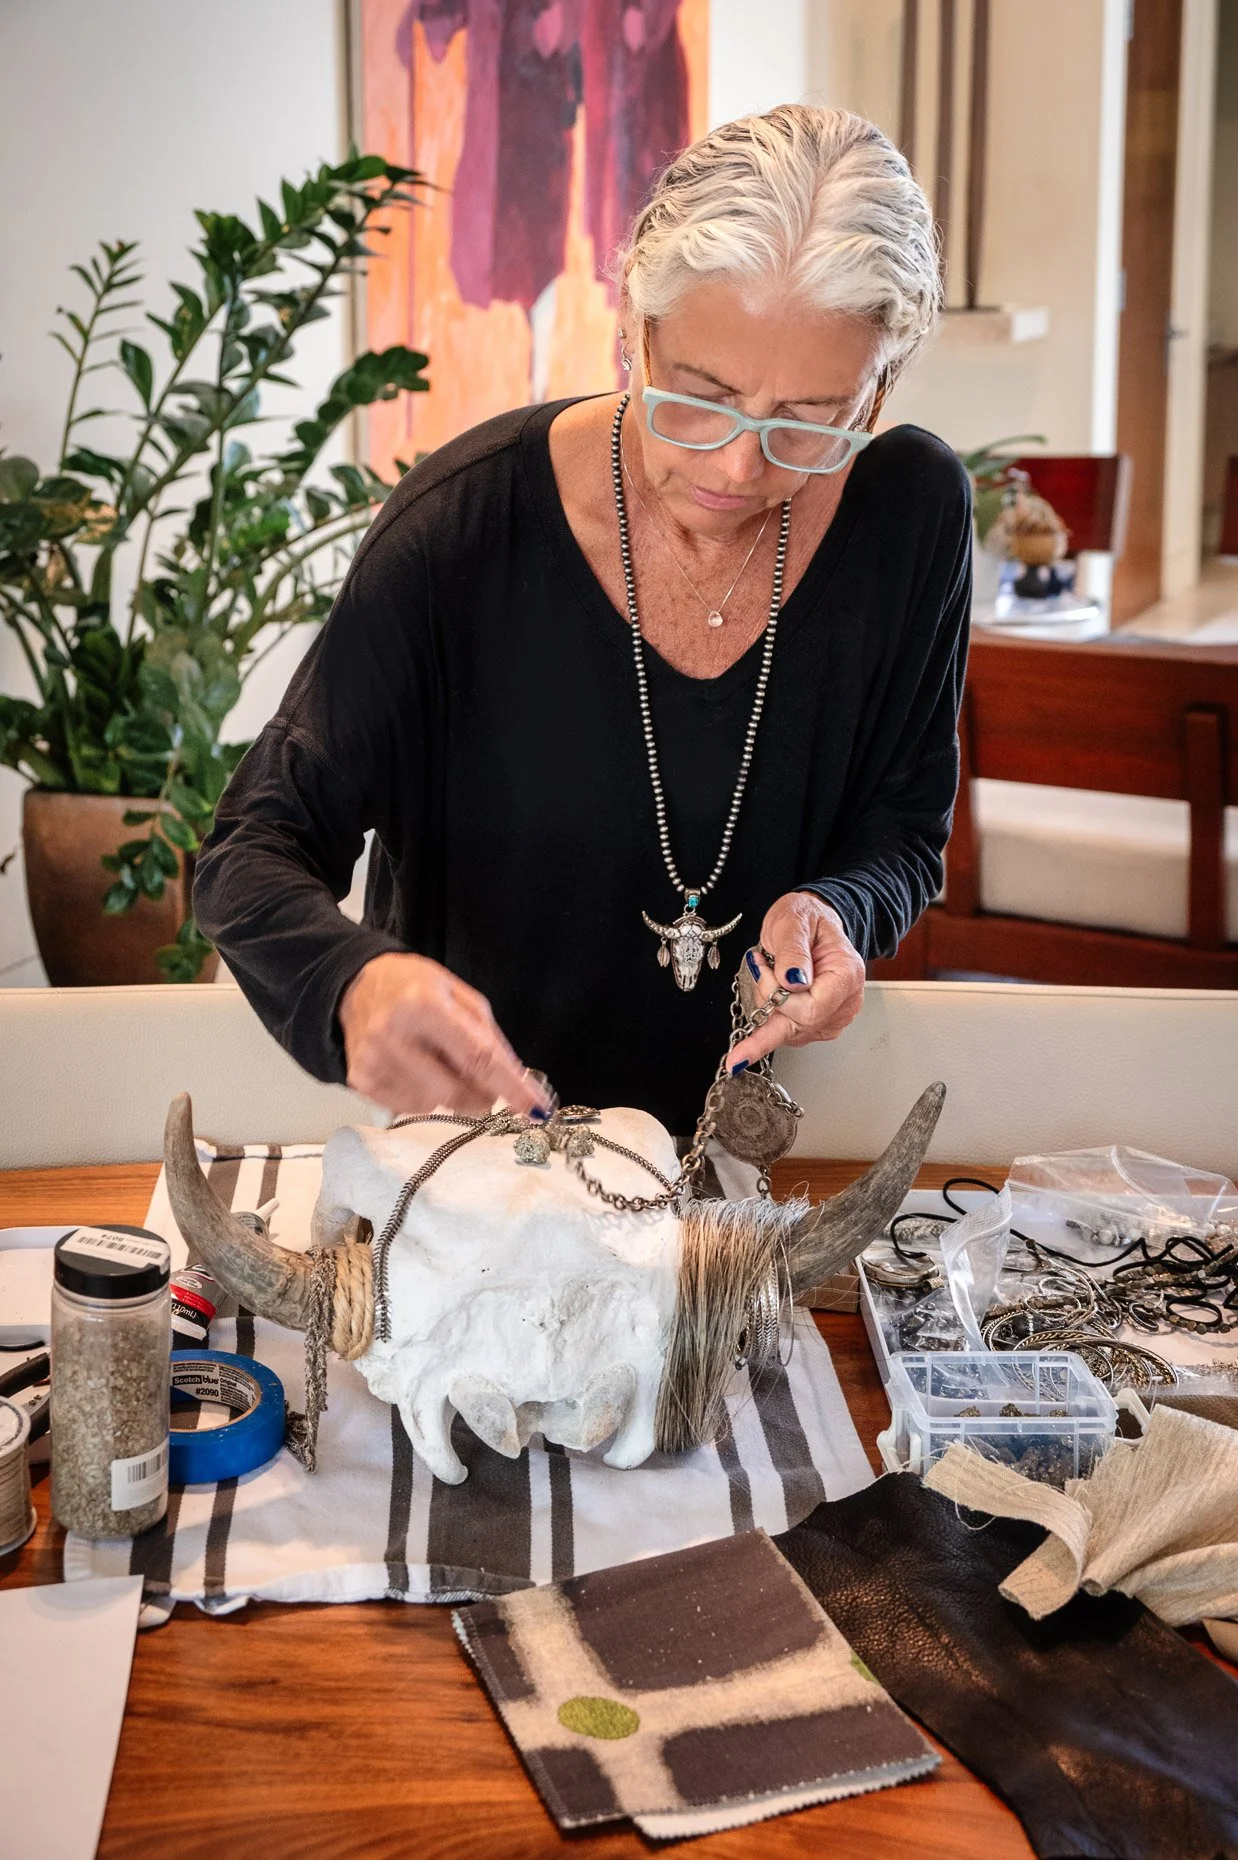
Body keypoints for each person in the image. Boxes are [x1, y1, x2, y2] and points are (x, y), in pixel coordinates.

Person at [193, 104, 969, 1138]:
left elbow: (902, 830)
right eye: (699, 395)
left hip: (756, 1171)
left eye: (806, 423)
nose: (738, 468)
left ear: (875, 394)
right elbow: (249, 850)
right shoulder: (463, 527)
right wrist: (352, 985)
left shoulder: (906, 515)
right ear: (633, 331)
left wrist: (836, 912)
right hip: (479, 1167)